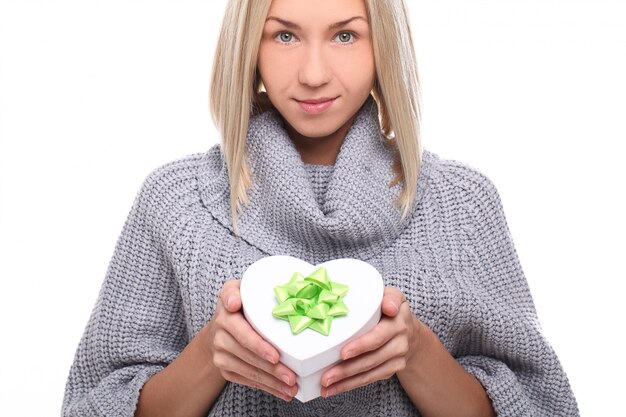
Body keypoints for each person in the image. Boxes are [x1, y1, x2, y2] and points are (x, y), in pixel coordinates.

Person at [62, 0, 579, 416]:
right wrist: (212, 354)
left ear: (383, 46)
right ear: (250, 45)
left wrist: (415, 352)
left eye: (345, 35)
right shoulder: (174, 199)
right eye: (284, 35)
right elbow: (91, 404)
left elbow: (543, 405)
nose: (313, 73)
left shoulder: (463, 203)